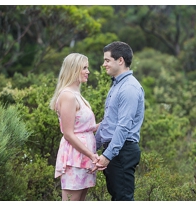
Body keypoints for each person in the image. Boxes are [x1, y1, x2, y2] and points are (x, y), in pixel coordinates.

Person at [93, 41, 144, 201]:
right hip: (116, 151)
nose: (104, 64)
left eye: (107, 60)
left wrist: (107, 156)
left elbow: (123, 127)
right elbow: (108, 122)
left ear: (120, 60)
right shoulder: (117, 85)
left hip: (122, 152)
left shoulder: (129, 88)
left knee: (123, 199)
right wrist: (93, 148)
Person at [50, 53, 100, 201]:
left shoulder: (77, 95)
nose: (88, 71)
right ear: (73, 69)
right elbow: (68, 134)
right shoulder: (68, 96)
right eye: (84, 68)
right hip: (75, 158)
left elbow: (85, 128)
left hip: (85, 157)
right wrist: (91, 155)